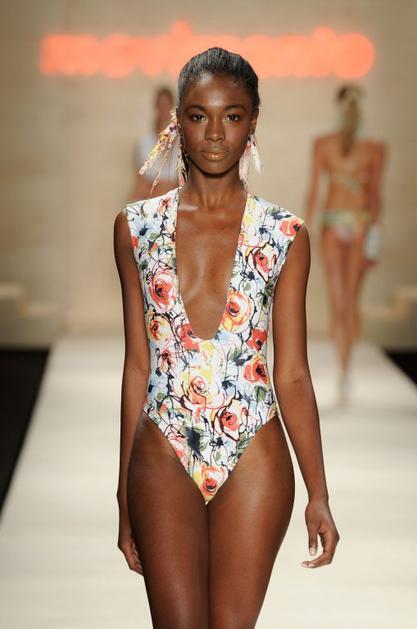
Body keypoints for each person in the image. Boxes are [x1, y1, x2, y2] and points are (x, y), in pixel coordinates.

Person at [114, 47, 339, 628]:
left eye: (232, 116)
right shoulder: (135, 228)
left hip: (254, 451)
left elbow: (293, 372)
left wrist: (318, 491)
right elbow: (137, 365)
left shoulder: (284, 234)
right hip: (161, 447)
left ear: (252, 122)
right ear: (178, 122)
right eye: (199, 115)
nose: (215, 133)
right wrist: (122, 493)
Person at [305, 84, 386, 402]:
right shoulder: (374, 148)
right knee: (350, 301)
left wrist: (303, 233)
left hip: (333, 223)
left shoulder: (324, 144)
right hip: (359, 223)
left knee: (340, 302)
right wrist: (374, 243)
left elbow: (314, 193)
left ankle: (344, 369)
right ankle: (346, 368)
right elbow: (375, 199)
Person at [128, 86, 179, 202]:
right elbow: (139, 184)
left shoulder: (183, 145)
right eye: (161, 104)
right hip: (149, 202)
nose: (163, 109)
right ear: (156, 106)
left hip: (174, 203)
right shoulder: (143, 144)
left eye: (167, 105)